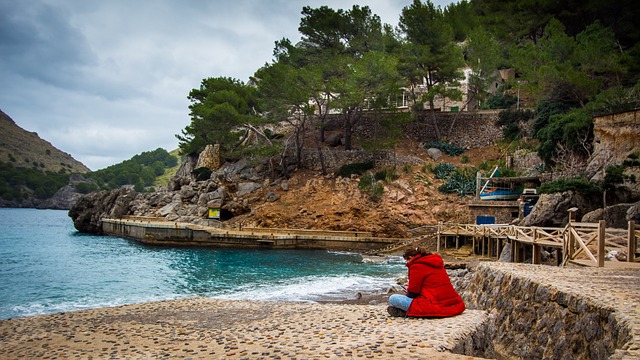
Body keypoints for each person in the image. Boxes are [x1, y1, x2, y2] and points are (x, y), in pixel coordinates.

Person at [387, 247, 465, 318]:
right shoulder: (436, 263)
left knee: (393, 298)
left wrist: (408, 290)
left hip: (433, 305)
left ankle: (407, 312)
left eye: (406, 260)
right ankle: (405, 311)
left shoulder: (416, 266)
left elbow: (413, 292)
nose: (406, 263)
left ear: (411, 258)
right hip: (454, 304)